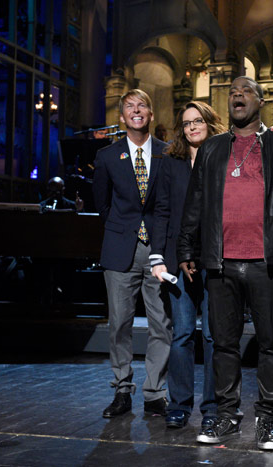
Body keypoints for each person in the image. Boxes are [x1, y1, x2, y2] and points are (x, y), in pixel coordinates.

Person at [177, 76, 273, 451]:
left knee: (272, 344)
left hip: (268, 259)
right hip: (221, 261)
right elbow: (194, 203)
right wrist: (186, 249)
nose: (238, 95)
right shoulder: (212, 149)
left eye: (246, 91)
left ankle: (267, 419)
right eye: (233, 92)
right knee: (223, 343)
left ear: (261, 101)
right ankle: (227, 415)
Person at [92, 89, 172, 419]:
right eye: (129, 107)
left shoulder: (169, 154)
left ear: (151, 114)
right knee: (119, 325)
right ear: (122, 118)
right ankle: (122, 391)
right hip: (120, 249)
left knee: (161, 325)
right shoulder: (107, 156)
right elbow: (102, 204)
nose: (136, 111)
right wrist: (124, 229)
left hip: (158, 253)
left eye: (142, 106)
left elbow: (170, 203)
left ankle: (155, 394)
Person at [150, 101, 225, 433]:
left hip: (215, 258)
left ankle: (211, 406)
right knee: (181, 334)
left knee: (211, 335)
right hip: (177, 260)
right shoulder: (171, 163)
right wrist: (158, 256)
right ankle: (179, 404)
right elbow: (161, 211)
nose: (192, 127)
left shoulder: (223, 157)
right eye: (186, 123)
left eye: (198, 121)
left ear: (209, 123)